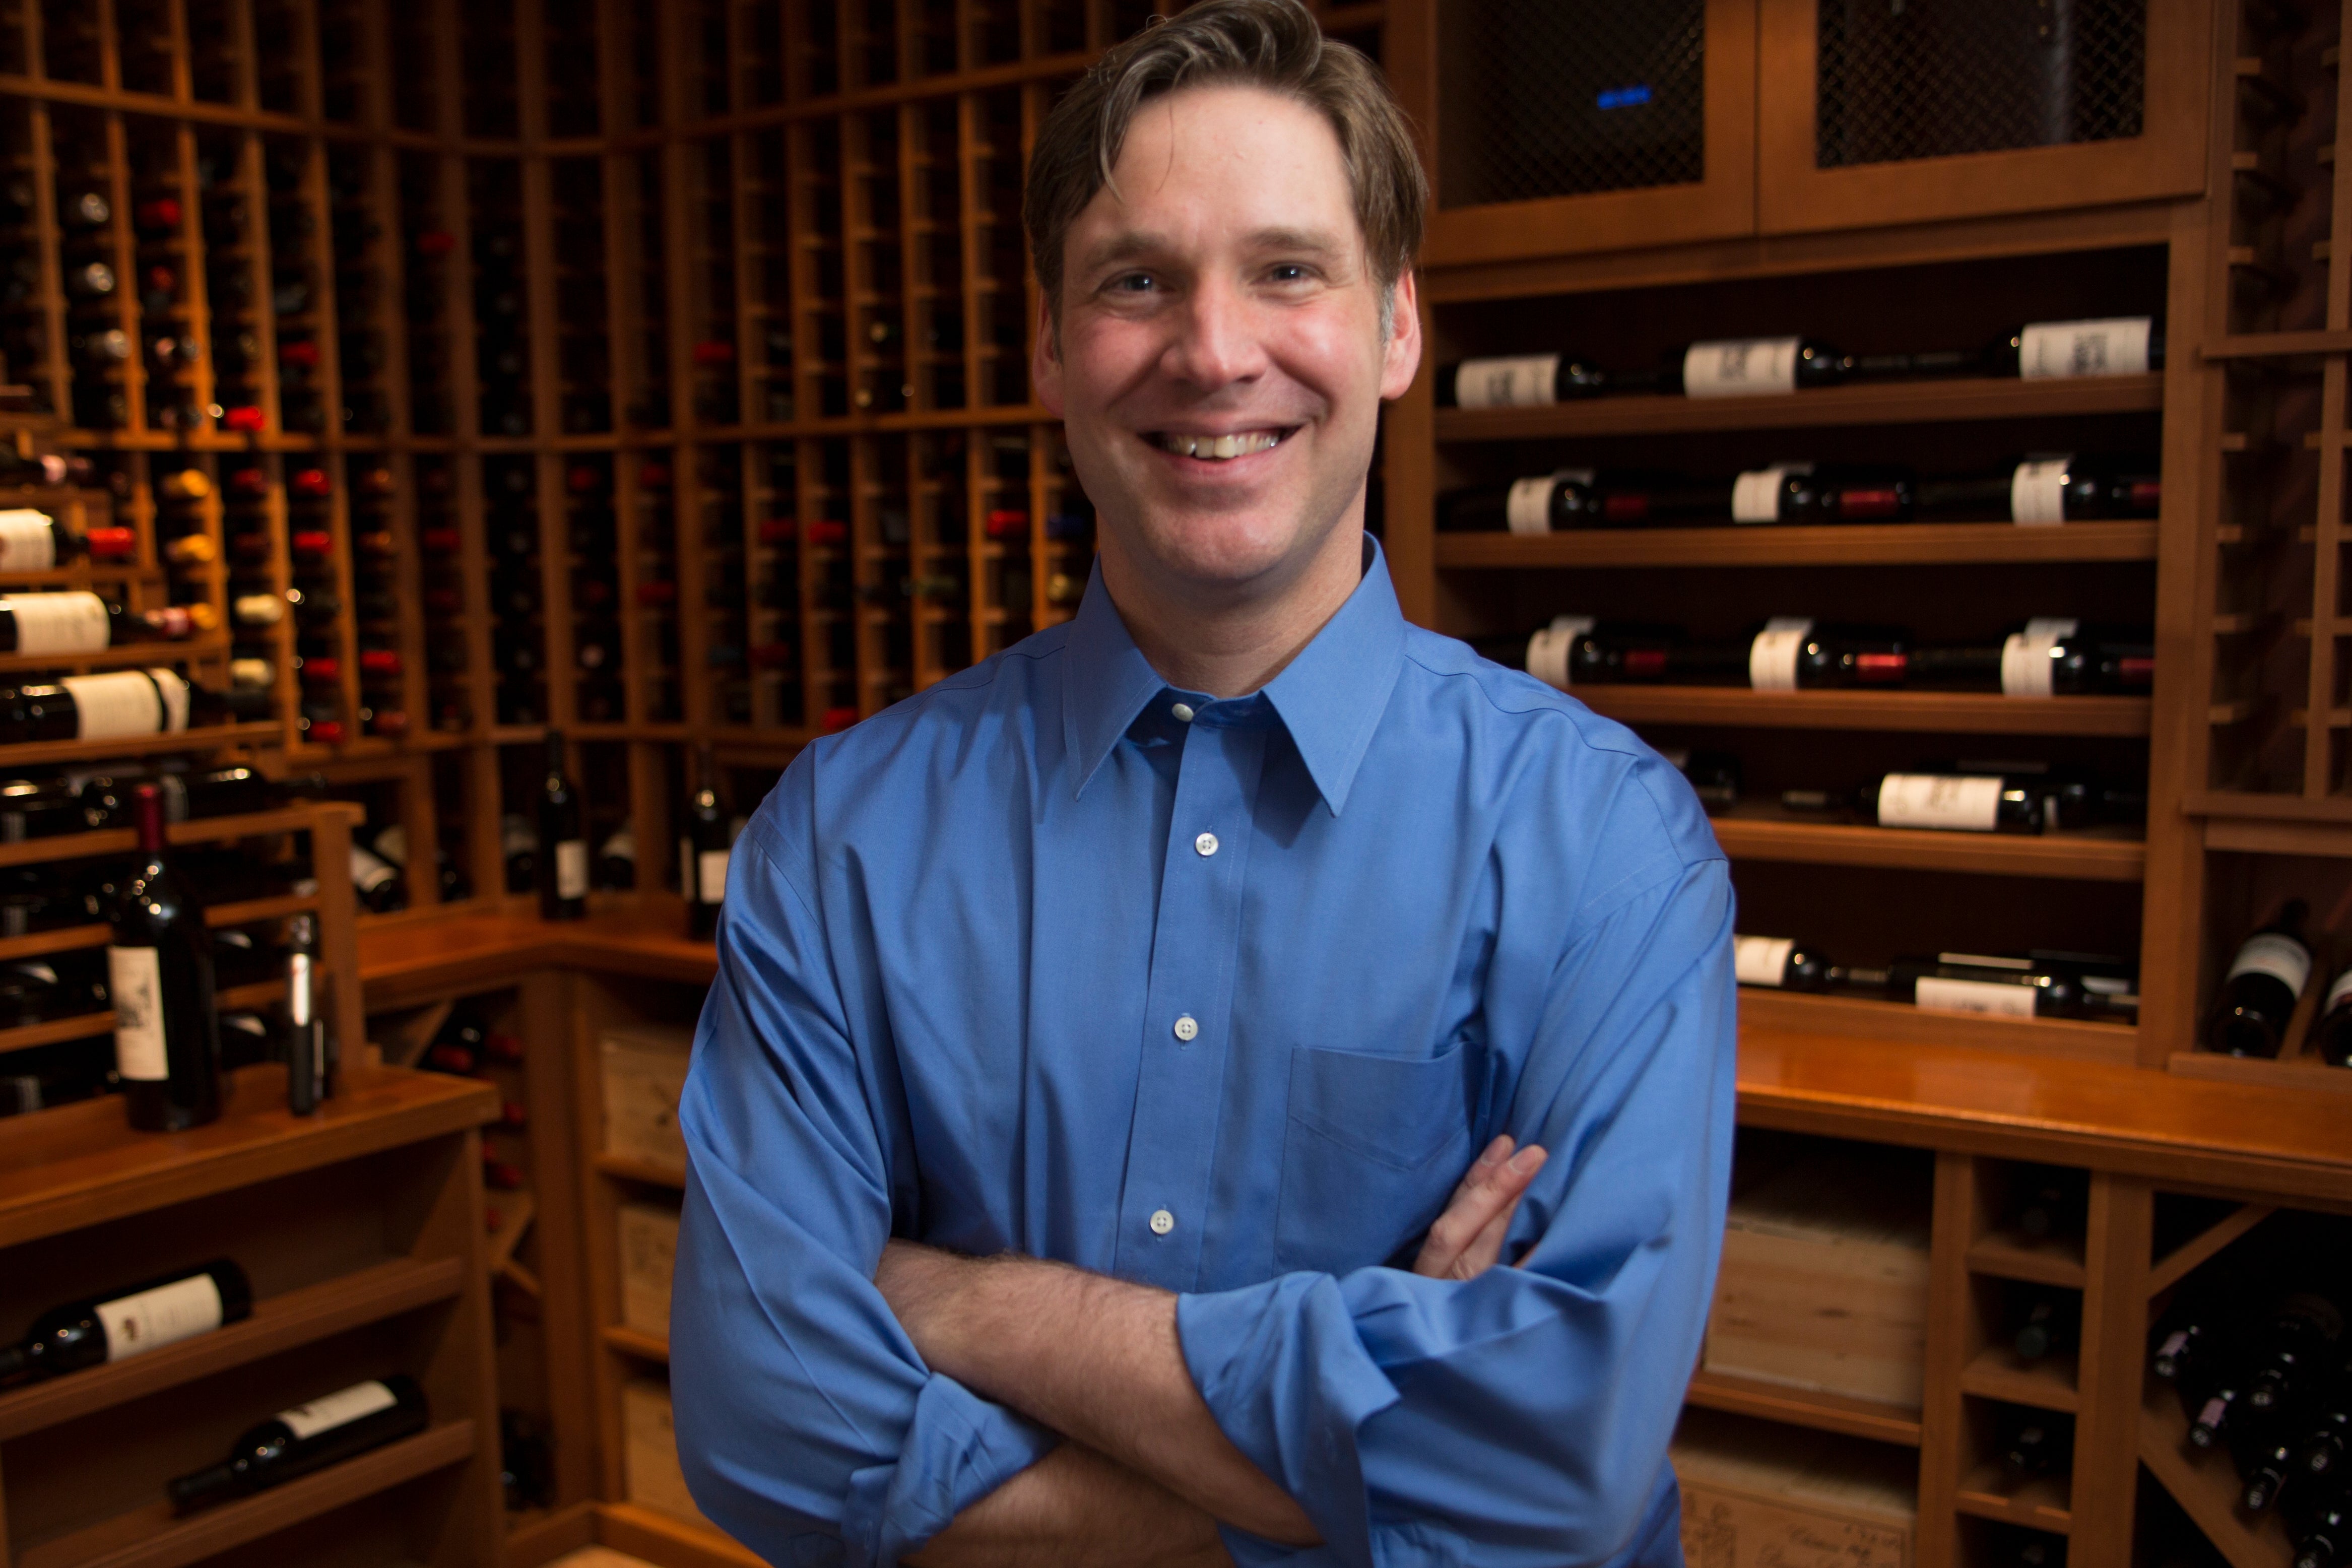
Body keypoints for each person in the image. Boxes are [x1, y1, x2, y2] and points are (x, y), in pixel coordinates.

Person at [669, 3, 1736, 1563]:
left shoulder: (1606, 848)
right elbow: (764, 1434)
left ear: (1395, 328)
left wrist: (967, 1303)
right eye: (1135, 282)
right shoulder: (839, 840)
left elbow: (1547, 1478)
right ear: (1049, 345)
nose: (1215, 350)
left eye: (1289, 269)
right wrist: (1362, 1442)